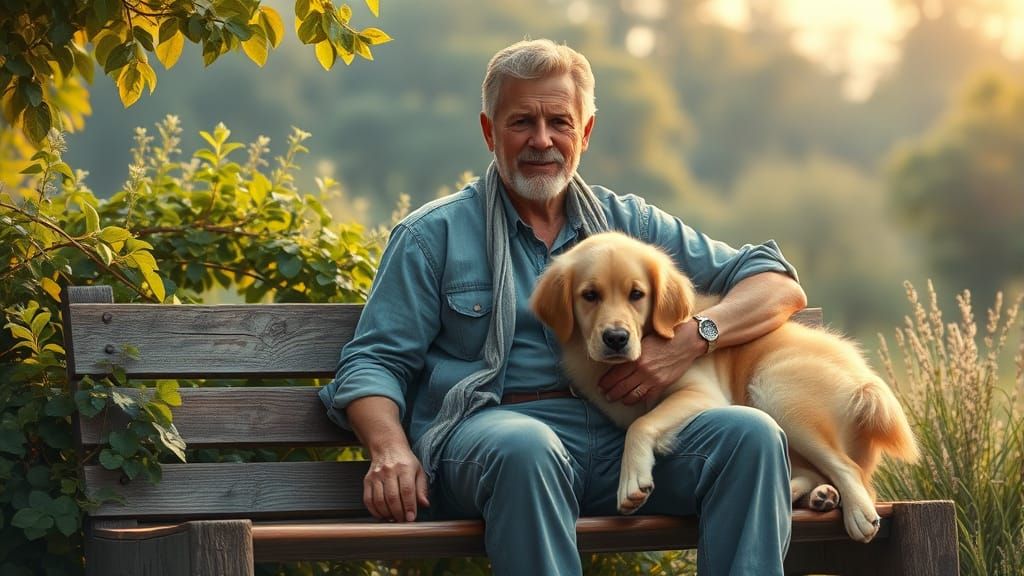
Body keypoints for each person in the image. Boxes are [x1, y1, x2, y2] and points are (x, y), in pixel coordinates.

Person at [319, 38, 807, 575]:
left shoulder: (633, 226)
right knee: (528, 447)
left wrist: (694, 336)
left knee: (751, 436)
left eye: (560, 122)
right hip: (494, 440)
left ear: (586, 132)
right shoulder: (431, 236)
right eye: (521, 121)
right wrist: (390, 449)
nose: (542, 140)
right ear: (488, 131)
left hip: (624, 440)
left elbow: (775, 282)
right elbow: (372, 363)